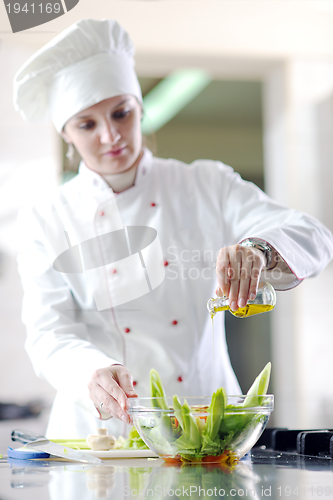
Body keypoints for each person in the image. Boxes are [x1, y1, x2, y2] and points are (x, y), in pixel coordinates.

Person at [14, 19, 333, 439]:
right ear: (67, 136)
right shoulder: (47, 217)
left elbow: (313, 234)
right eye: (87, 124)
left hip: (207, 426)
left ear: (140, 108)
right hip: (101, 434)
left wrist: (259, 250)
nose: (110, 135)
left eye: (121, 113)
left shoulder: (206, 183)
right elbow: (49, 331)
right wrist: (90, 372)